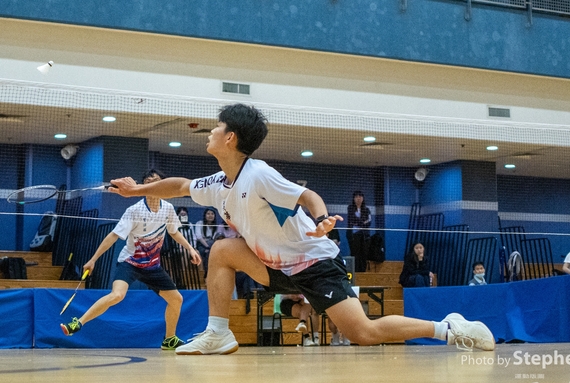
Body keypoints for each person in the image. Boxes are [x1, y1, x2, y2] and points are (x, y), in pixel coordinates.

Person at [108, 103, 495, 355]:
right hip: (276, 268)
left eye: (217, 126)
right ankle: (219, 332)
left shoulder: (259, 175)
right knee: (223, 251)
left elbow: (307, 195)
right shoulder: (218, 183)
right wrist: (137, 190)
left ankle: (449, 328)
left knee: (363, 333)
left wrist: (323, 220)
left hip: (314, 265)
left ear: (230, 138)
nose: (210, 131)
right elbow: (180, 186)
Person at [60, 169, 202, 350]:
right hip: (130, 262)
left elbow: (173, 232)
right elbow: (113, 235)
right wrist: (93, 259)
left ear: (162, 185)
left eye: (156, 181)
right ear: (143, 186)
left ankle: (169, 339)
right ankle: (78, 323)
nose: (152, 184)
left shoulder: (168, 209)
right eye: (148, 181)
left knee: (176, 299)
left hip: (152, 266)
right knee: (117, 295)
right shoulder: (134, 210)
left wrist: (190, 248)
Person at [347, 190, 371, 272]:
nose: (358, 198)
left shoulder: (366, 210)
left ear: (363, 198)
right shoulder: (350, 208)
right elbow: (352, 219)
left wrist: (359, 223)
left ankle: (363, 272)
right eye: (356, 197)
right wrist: (362, 222)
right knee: (355, 253)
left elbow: (369, 222)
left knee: (363, 253)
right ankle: (355, 271)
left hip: (364, 235)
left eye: (360, 196)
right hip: (353, 235)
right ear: (353, 199)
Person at [195, 208, 217, 277]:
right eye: (208, 214)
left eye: (212, 214)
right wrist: (207, 247)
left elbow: (215, 238)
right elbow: (199, 237)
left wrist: (210, 247)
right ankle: (207, 272)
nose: (210, 215)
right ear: (205, 215)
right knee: (207, 252)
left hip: (212, 244)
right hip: (202, 245)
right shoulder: (199, 223)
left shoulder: (216, 226)